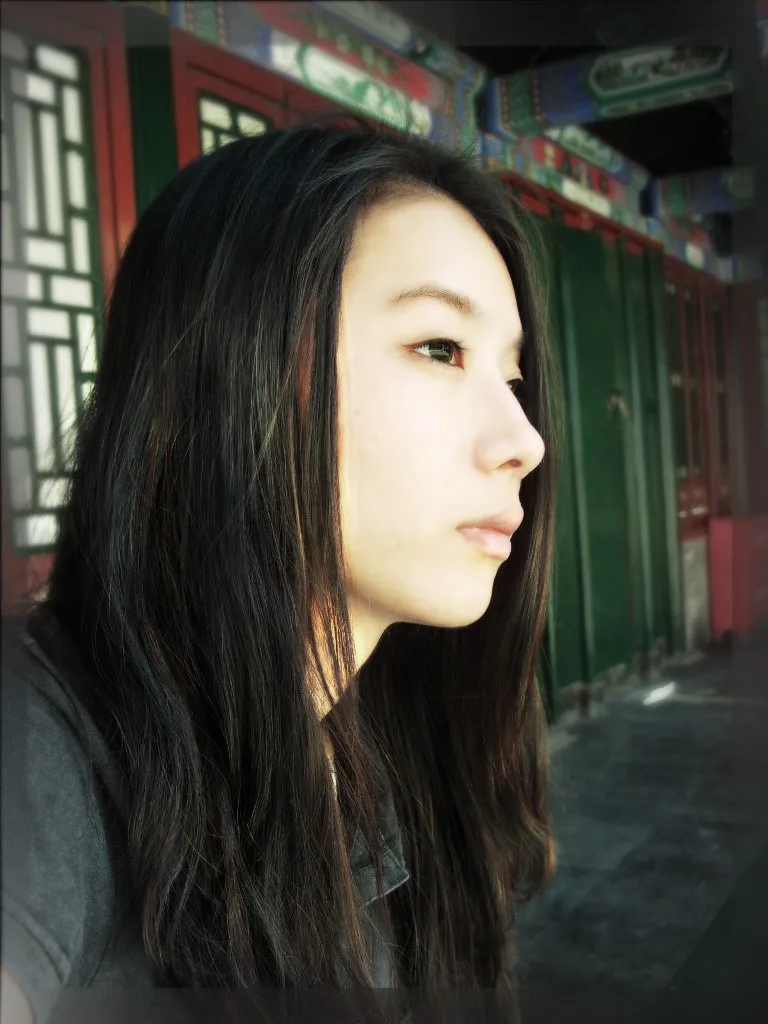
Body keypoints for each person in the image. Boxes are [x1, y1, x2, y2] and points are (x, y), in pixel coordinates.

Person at [1, 117, 559, 1024]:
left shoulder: (395, 753)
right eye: (439, 348)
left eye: (513, 375)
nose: (524, 441)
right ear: (233, 368)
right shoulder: (43, 746)